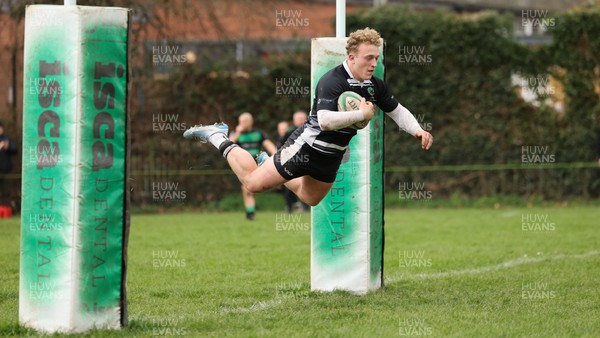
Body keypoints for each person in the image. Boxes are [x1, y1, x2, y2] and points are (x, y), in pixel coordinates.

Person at [184, 28, 433, 207]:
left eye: (376, 58)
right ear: (352, 57)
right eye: (369, 58)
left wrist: (417, 130)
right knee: (251, 184)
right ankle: (218, 135)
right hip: (306, 147)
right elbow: (324, 120)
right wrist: (362, 114)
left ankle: (265, 159)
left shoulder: (373, 85)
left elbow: (396, 110)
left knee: (310, 198)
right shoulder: (331, 81)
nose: (373, 63)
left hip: (331, 156)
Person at [229, 112, 276, 220]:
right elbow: (229, 146)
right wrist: (237, 132)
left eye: (245, 121)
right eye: (241, 122)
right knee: (247, 188)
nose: (243, 124)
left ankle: (250, 212)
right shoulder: (236, 133)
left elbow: (268, 144)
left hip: (258, 164)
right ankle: (250, 213)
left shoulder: (258, 133)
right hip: (242, 165)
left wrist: (276, 156)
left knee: (251, 188)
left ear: (251, 122)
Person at [278, 111, 310, 213]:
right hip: (292, 161)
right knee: (289, 184)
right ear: (294, 121)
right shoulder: (289, 132)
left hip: (308, 161)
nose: (301, 121)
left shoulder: (311, 129)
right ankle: (288, 207)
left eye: (302, 118)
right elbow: (281, 147)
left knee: (306, 183)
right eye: (298, 119)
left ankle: (306, 208)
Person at [0, 122, 17, 206]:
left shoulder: (7, 139)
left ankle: (7, 209)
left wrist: (7, 147)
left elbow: (15, 150)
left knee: (6, 191)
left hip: (6, 169)